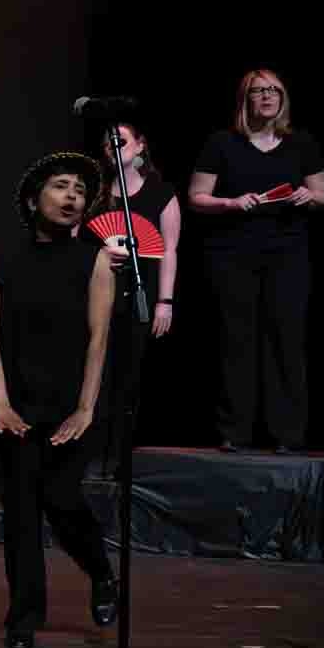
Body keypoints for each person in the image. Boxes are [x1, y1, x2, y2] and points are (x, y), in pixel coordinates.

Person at [0, 153, 119, 648]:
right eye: (61, 187)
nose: (72, 198)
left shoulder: (94, 259)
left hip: (70, 404)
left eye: (80, 191)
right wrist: (0, 403)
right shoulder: (1, 257)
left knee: (61, 499)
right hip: (16, 402)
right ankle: (24, 616)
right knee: (19, 509)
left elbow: (98, 339)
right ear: (32, 198)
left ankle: (101, 571)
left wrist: (84, 410)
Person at [186, 68, 324, 451]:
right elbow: (197, 196)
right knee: (238, 343)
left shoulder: (301, 143)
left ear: (282, 99)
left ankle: (288, 435)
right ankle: (234, 433)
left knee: (286, 342)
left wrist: (306, 196)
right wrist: (230, 202)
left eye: (274, 90)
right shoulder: (222, 143)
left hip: (288, 255)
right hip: (232, 255)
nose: (267, 96)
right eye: (258, 91)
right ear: (245, 99)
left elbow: (321, 194)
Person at [88, 119, 183, 477]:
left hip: (140, 294)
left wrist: (165, 301)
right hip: (99, 296)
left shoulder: (161, 193)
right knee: (96, 375)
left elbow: (170, 250)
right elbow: (79, 244)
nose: (115, 146)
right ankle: (92, 456)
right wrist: (100, 255)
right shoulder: (96, 194)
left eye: (122, 140)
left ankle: (120, 461)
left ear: (140, 146)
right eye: (109, 141)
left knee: (128, 379)